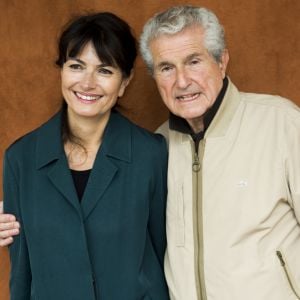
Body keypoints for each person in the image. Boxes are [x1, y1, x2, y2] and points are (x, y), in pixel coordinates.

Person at [1, 5, 300, 300]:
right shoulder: (22, 159)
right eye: (167, 67)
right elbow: (24, 270)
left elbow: (155, 255)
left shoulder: (279, 124)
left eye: (194, 61)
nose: (182, 81)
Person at [1, 12, 169, 300]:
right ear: (62, 71)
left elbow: (167, 252)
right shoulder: (21, 159)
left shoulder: (151, 154)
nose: (88, 83)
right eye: (76, 66)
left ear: (124, 82)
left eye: (104, 70)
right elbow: (22, 272)